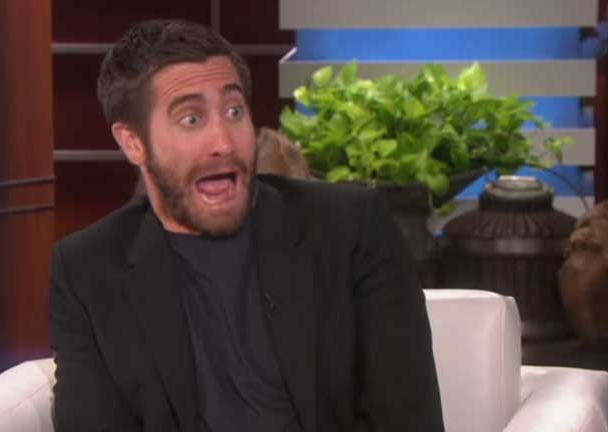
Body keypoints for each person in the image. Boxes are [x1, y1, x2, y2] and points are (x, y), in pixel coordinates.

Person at [49, 19, 443, 432]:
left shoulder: (350, 228)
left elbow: (407, 419)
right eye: (191, 119)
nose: (224, 142)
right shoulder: (87, 271)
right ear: (133, 142)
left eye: (234, 111)